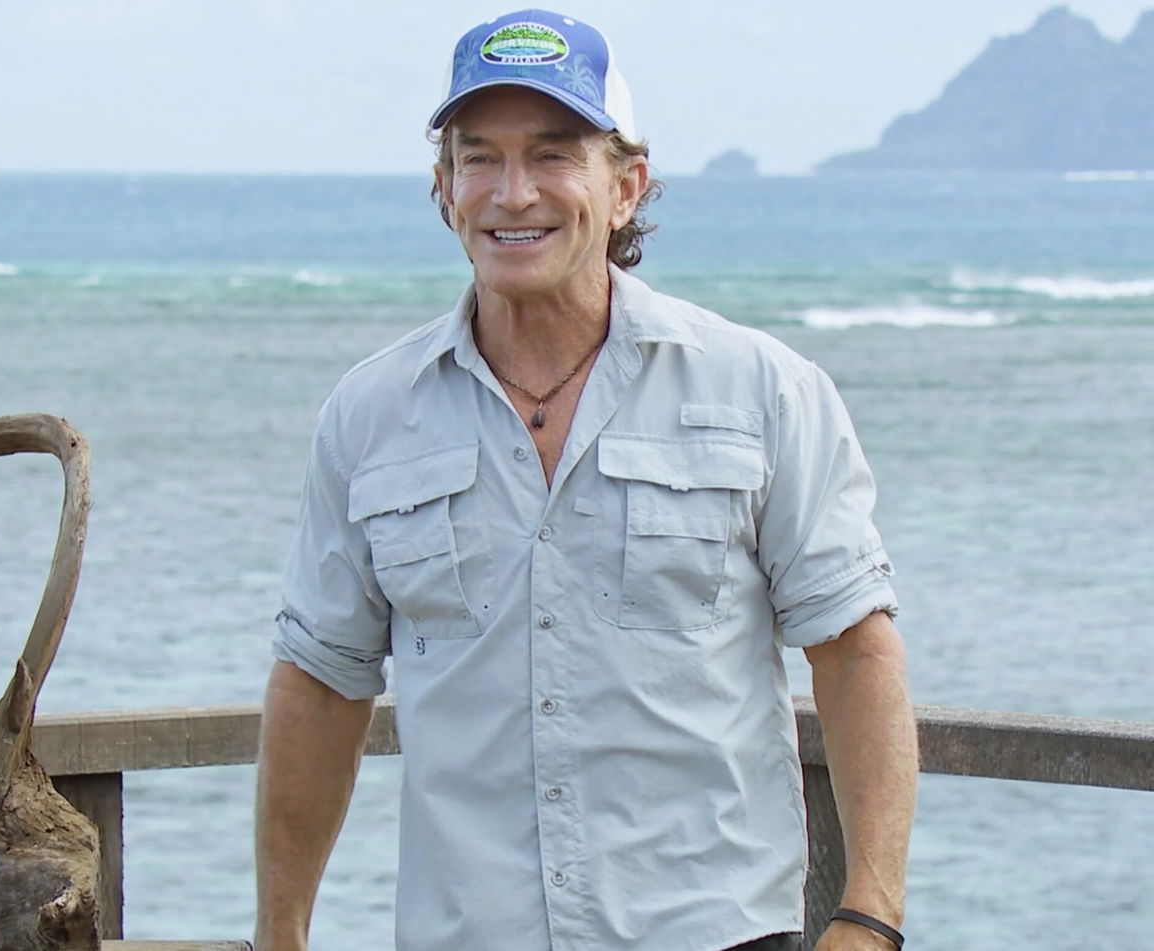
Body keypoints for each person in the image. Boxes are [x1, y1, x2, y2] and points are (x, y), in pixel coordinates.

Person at [254, 9, 917, 951]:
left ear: (625, 187)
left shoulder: (763, 390)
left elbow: (854, 650)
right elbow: (321, 682)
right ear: (444, 191)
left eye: (553, 155)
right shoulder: (369, 415)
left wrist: (869, 915)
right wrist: (281, 933)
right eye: (479, 158)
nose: (513, 192)